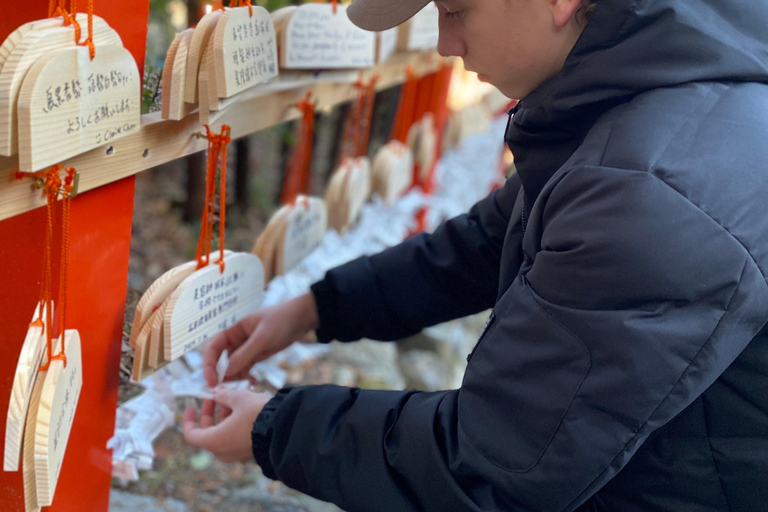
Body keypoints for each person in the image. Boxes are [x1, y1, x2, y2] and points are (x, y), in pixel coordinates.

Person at [182, 0, 768, 510]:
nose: (445, 44)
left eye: (455, 10)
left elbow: (496, 464)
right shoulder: (657, 100)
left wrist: (274, 429)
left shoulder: (652, 189)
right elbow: (493, 238)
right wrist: (314, 309)